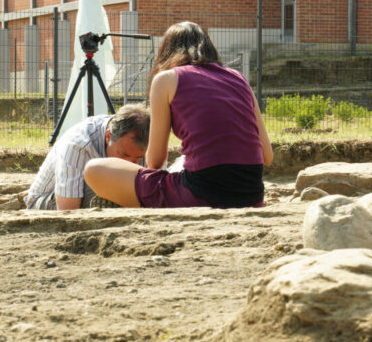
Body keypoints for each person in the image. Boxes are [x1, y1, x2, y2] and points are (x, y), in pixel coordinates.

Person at [84, 21, 272, 208]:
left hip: (202, 194)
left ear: (166, 52)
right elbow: (267, 156)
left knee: (94, 169)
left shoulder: (166, 80)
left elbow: (155, 161)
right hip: (252, 195)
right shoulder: (238, 78)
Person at [25, 104, 150, 210]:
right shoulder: (79, 144)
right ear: (108, 136)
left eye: (137, 158)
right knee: (101, 178)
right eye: (124, 155)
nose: (129, 163)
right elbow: (67, 209)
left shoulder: (151, 145)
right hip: (45, 202)